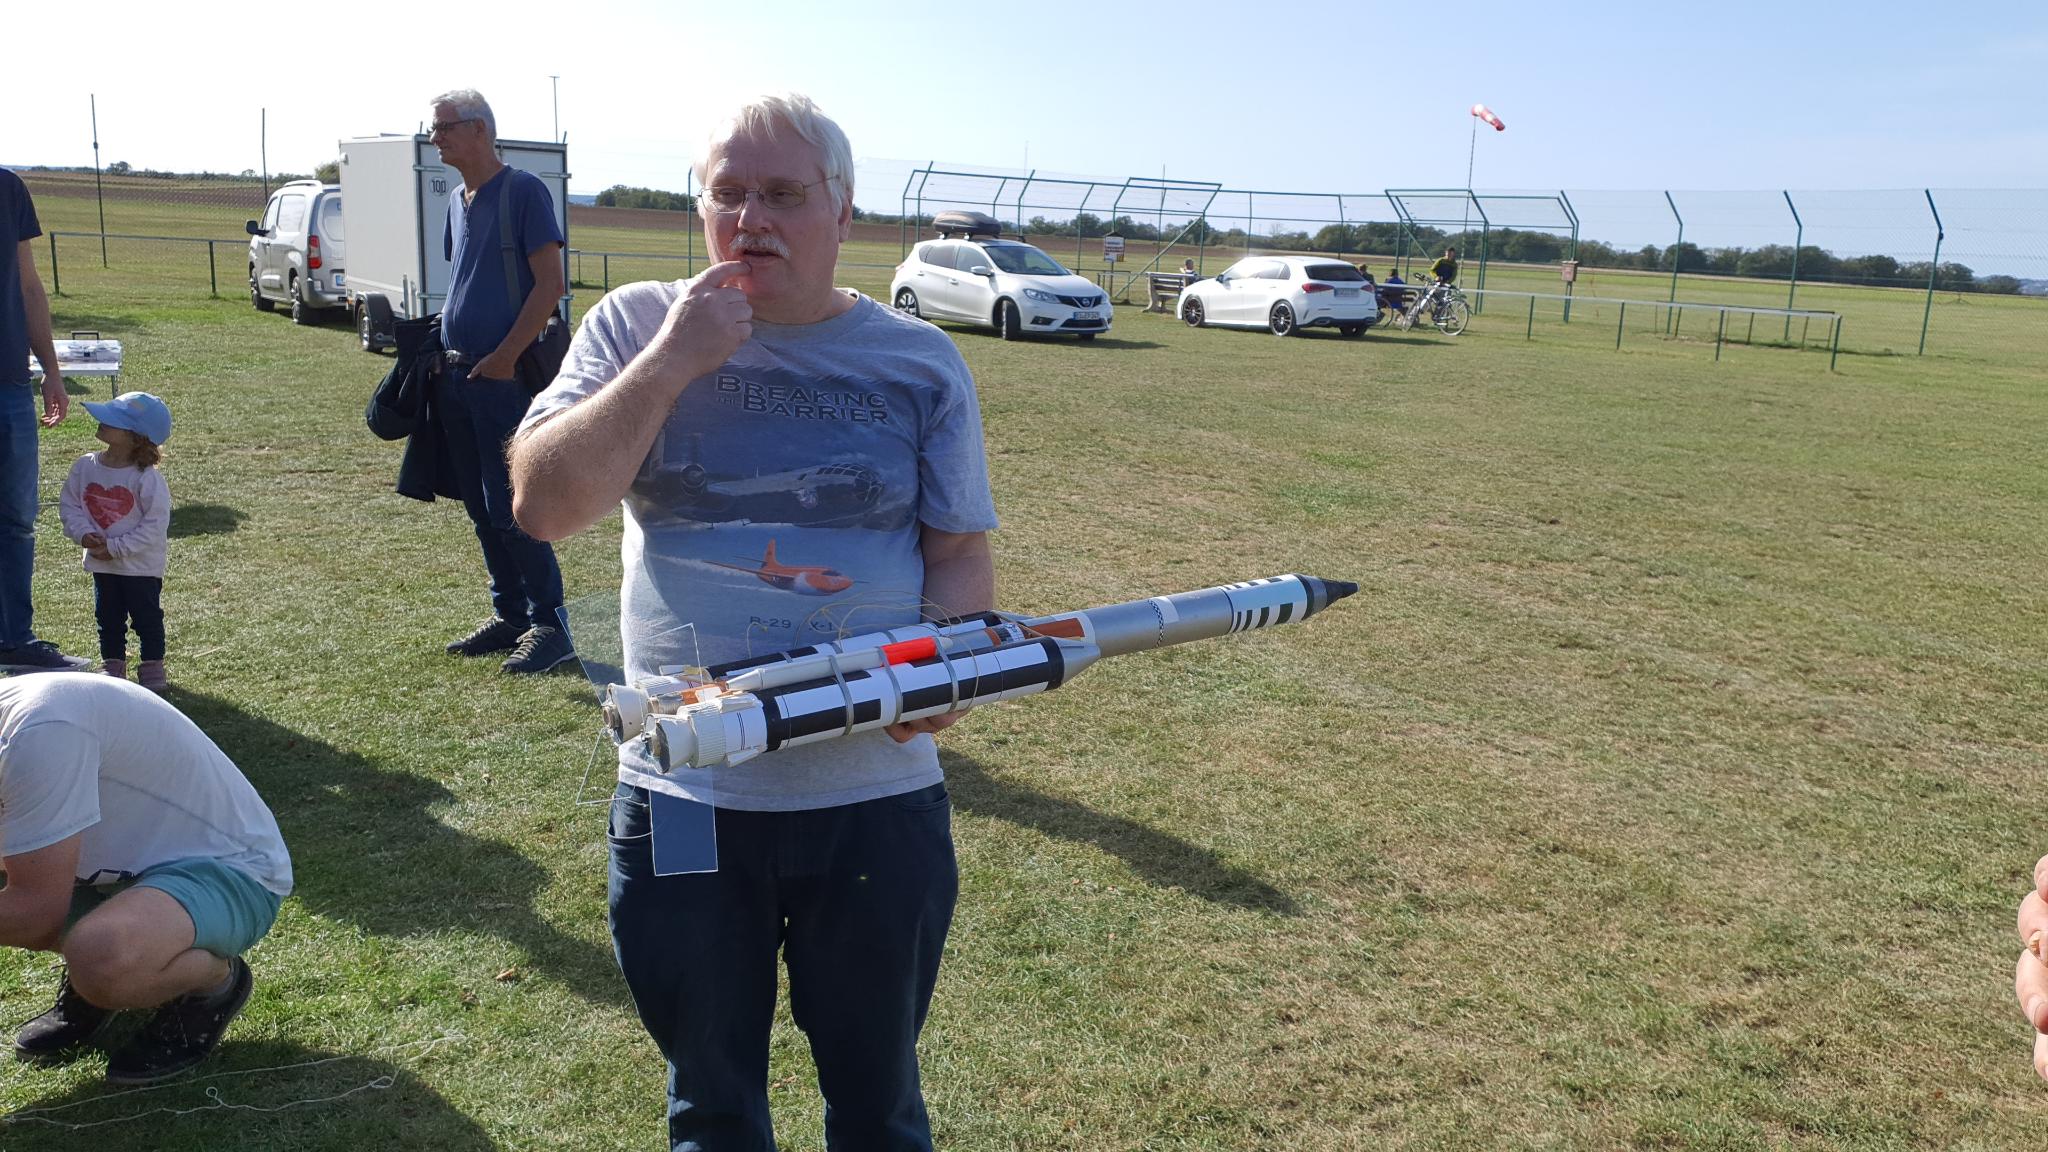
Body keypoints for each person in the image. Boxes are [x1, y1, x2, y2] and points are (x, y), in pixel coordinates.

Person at [509, 92, 998, 1151]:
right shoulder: (636, 324)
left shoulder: (918, 360)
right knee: (711, 1098)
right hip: (685, 795)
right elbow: (544, 505)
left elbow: (958, 552)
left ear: (843, 211)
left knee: (878, 1101)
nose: (751, 220)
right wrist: (673, 360)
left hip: (873, 798)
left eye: (783, 194)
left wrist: (947, 666)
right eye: (727, 194)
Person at [1, 672, 292, 1083]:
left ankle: (213, 983)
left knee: (100, 957)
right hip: (117, 875)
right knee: (87, 947)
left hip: (231, 870)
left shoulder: (40, 731)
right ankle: (108, 969)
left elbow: (36, 913)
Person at [426, 88, 574, 675]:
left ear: (480, 130)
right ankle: (511, 615)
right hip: (459, 373)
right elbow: (464, 281)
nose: (435, 137)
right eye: (434, 127)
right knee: (478, 503)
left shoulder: (523, 191)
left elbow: (550, 286)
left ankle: (551, 624)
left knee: (511, 504)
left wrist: (506, 357)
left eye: (445, 126)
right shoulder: (456, 201)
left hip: (501, 378)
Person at [0, 168, 79, 672]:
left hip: (9, 383)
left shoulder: (7, 189)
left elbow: (29, 285)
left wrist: (51, 369)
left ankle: (15, 640)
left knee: (16, 520)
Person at [58, 392, 173, 691]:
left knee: (146, 618)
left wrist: (115, 548)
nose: (101, 421)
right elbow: (70, 505)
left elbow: (155, 525)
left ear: (136, 437)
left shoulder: (146, 478)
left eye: (113, 421)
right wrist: (83, 533)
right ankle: (112, 665)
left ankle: (152, 668)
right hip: (103, 565)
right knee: (107, 617)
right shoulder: (86, 467)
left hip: (140, 567)